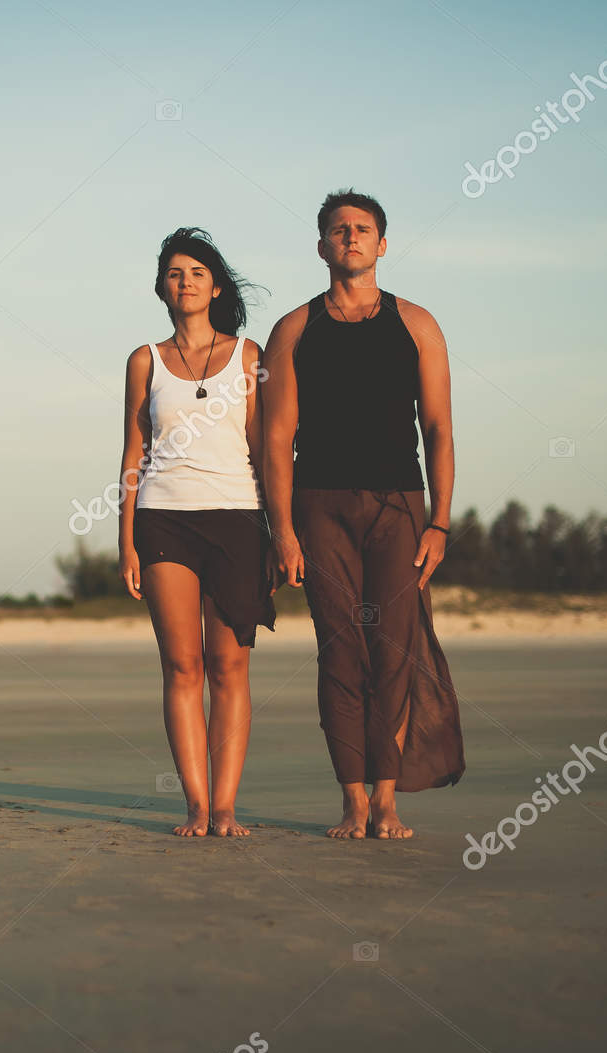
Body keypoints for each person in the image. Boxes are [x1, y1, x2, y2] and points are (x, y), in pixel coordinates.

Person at [261, 189, 466, 840]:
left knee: (393, 651)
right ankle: (352, 801)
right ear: (321, 246)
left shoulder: (419, 324)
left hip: (398, 506)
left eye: (363, 229)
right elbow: (275, 437)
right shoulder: (293, 329)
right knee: (340, 651)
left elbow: (438, 428)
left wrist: (440, 521)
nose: (350, 237)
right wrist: (283, 530)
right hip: (319, 506)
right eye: (338, 229)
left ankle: (386, 799)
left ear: (382, 245)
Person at [118, 227, 274, 838]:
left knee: (229, 668)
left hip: (238, 520)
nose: (186, 282)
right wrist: (125, 538)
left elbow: (264, 450)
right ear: (162, 286)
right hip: (164, 519)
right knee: (182, 667)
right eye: (175, 273)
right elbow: (134, 451)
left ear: (215, 287)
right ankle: (197, 806)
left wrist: (279, 532)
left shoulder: (250, 356)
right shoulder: (145, 360)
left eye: (197, 273)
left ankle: (228, 805)